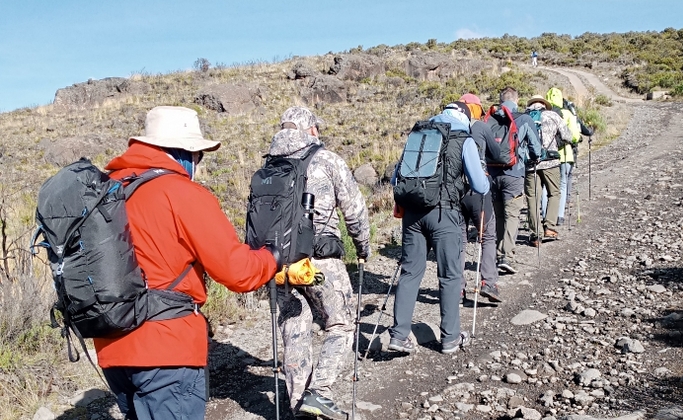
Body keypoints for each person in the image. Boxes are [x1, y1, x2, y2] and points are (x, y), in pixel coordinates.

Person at [93, 106, 281, 420]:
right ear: (181, 151)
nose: (198, 163)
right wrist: (269, 258)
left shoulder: (107, 190)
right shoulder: (181, 193)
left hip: (112, 347)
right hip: (166, 346)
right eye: (198, 155)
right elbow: (238, 273)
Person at [269, 106, 371, 420]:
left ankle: (299, 404)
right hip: (320, 262)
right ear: (311, 129)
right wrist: (362, 247)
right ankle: (321, 392)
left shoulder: (269, 167)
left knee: (294, 331)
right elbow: (354, 208)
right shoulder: (326, 160)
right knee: (340, 324)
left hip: (278, 265)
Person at [389, 101, 489, 355]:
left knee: (410, 273)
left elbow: (395, 178)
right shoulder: (463, 138)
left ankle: (399, 336)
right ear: (464, 117)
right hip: (445, 214)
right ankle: (450, 338)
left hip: (413, 214)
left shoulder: (420, 136)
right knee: (450, 276)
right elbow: (480, 185)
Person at [486, 88, 542, 273]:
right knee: (512, 214)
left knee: (499, 215)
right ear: (517, 100)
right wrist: (533, 158)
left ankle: (496, 254)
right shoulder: (524, 119)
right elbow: (536, 149)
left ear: (500, 100)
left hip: (492, 174)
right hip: (514, 174)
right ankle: (507, 255)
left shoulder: (490, 119)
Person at [458, 93, 502, 303]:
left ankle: (456, 288)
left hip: (454, 191)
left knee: (458, 240)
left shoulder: (447, 127)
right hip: (478, 189)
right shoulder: (480, 126)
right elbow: (497, 153)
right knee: (487, 235)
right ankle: (489, 283)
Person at [524, 95, 572, 247]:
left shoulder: (524, 118)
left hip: (531, 164)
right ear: (544, 104)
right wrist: (556, 143)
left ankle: (535, 234)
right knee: (554, 193)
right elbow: (567, 136)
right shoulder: (553, 115)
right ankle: (550, 227)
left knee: (532, 198)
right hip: (550, 162)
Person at [544, 87, 583, 226]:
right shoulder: (567, 113)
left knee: (546, 187)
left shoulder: (543, 113)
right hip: (565, 154)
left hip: (547, 156)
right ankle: (559, 216)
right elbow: (575, 136)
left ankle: (545, 215)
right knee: (562, 184)